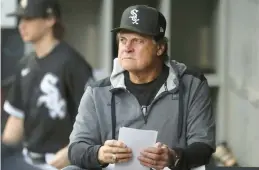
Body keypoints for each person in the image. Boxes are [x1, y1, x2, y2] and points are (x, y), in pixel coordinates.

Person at [66, 5, 215, 170]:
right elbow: (75, 149)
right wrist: (99, 154)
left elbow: (203, 146)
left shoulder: (192, 84)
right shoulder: (97, 92)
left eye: (137, 41)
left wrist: (173, 157)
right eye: (123, 40)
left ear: (160, 48)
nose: (127, 48)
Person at [1, 0, 94, 169]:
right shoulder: (25, 64)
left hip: (62, 163)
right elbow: (17, 118)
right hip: (27, 160)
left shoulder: (72, 63)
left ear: (50, 19)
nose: (22, 25)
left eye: (28, 18)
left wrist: (73, 150)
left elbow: (95, 119)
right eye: (20, 19)